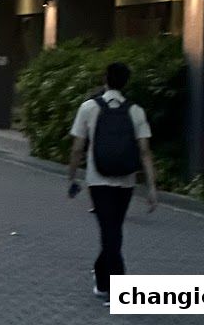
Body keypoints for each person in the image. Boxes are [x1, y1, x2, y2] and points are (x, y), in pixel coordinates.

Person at [68, 61, 157, 302]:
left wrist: (72, 176)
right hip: (125, 180)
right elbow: (145, 152)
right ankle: (106, 281)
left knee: (110, 231)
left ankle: (112, 286)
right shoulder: (136, 111)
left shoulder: (88, 108)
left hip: (98, 179)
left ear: (105, 79)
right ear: (126, 82)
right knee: (113, 229)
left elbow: (77, 148)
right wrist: (152, 187)